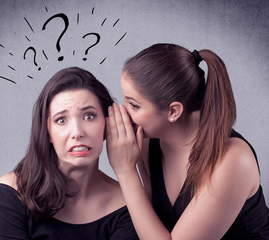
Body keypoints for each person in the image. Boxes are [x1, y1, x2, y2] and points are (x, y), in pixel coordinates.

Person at [106, 43, 269, 239]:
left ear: (174, 111)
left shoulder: (233, 160)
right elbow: (150, 226)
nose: (123, 112)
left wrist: (125, 172)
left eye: (134, 105)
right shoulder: (148, 144)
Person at [0, 67, 139, 240]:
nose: (77, 132)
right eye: (61, 120)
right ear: (47, 132)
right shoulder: (11, 192)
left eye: (89, 116)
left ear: (108, 123)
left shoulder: (130, 204)